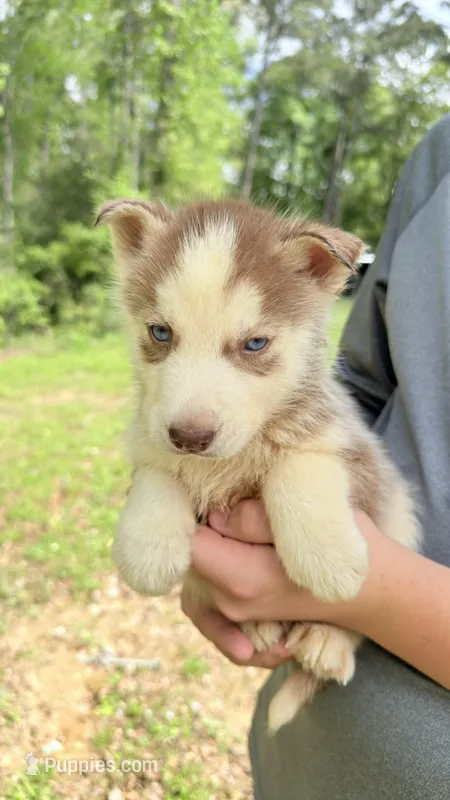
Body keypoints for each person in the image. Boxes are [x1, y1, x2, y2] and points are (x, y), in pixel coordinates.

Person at [181, 114, 450, 799]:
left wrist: (375, 596)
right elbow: (363, 383)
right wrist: (211, 507)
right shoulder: (440, 154)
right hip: (302, 758)